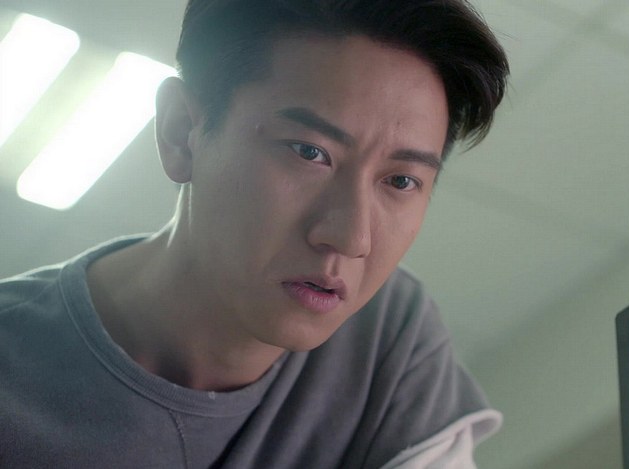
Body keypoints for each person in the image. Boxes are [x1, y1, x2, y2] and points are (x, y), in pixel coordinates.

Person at [0, 0, 509, 467]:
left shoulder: (386, 334)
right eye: (309, 152)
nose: (352, 238)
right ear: (181, 131)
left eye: (400, 181)